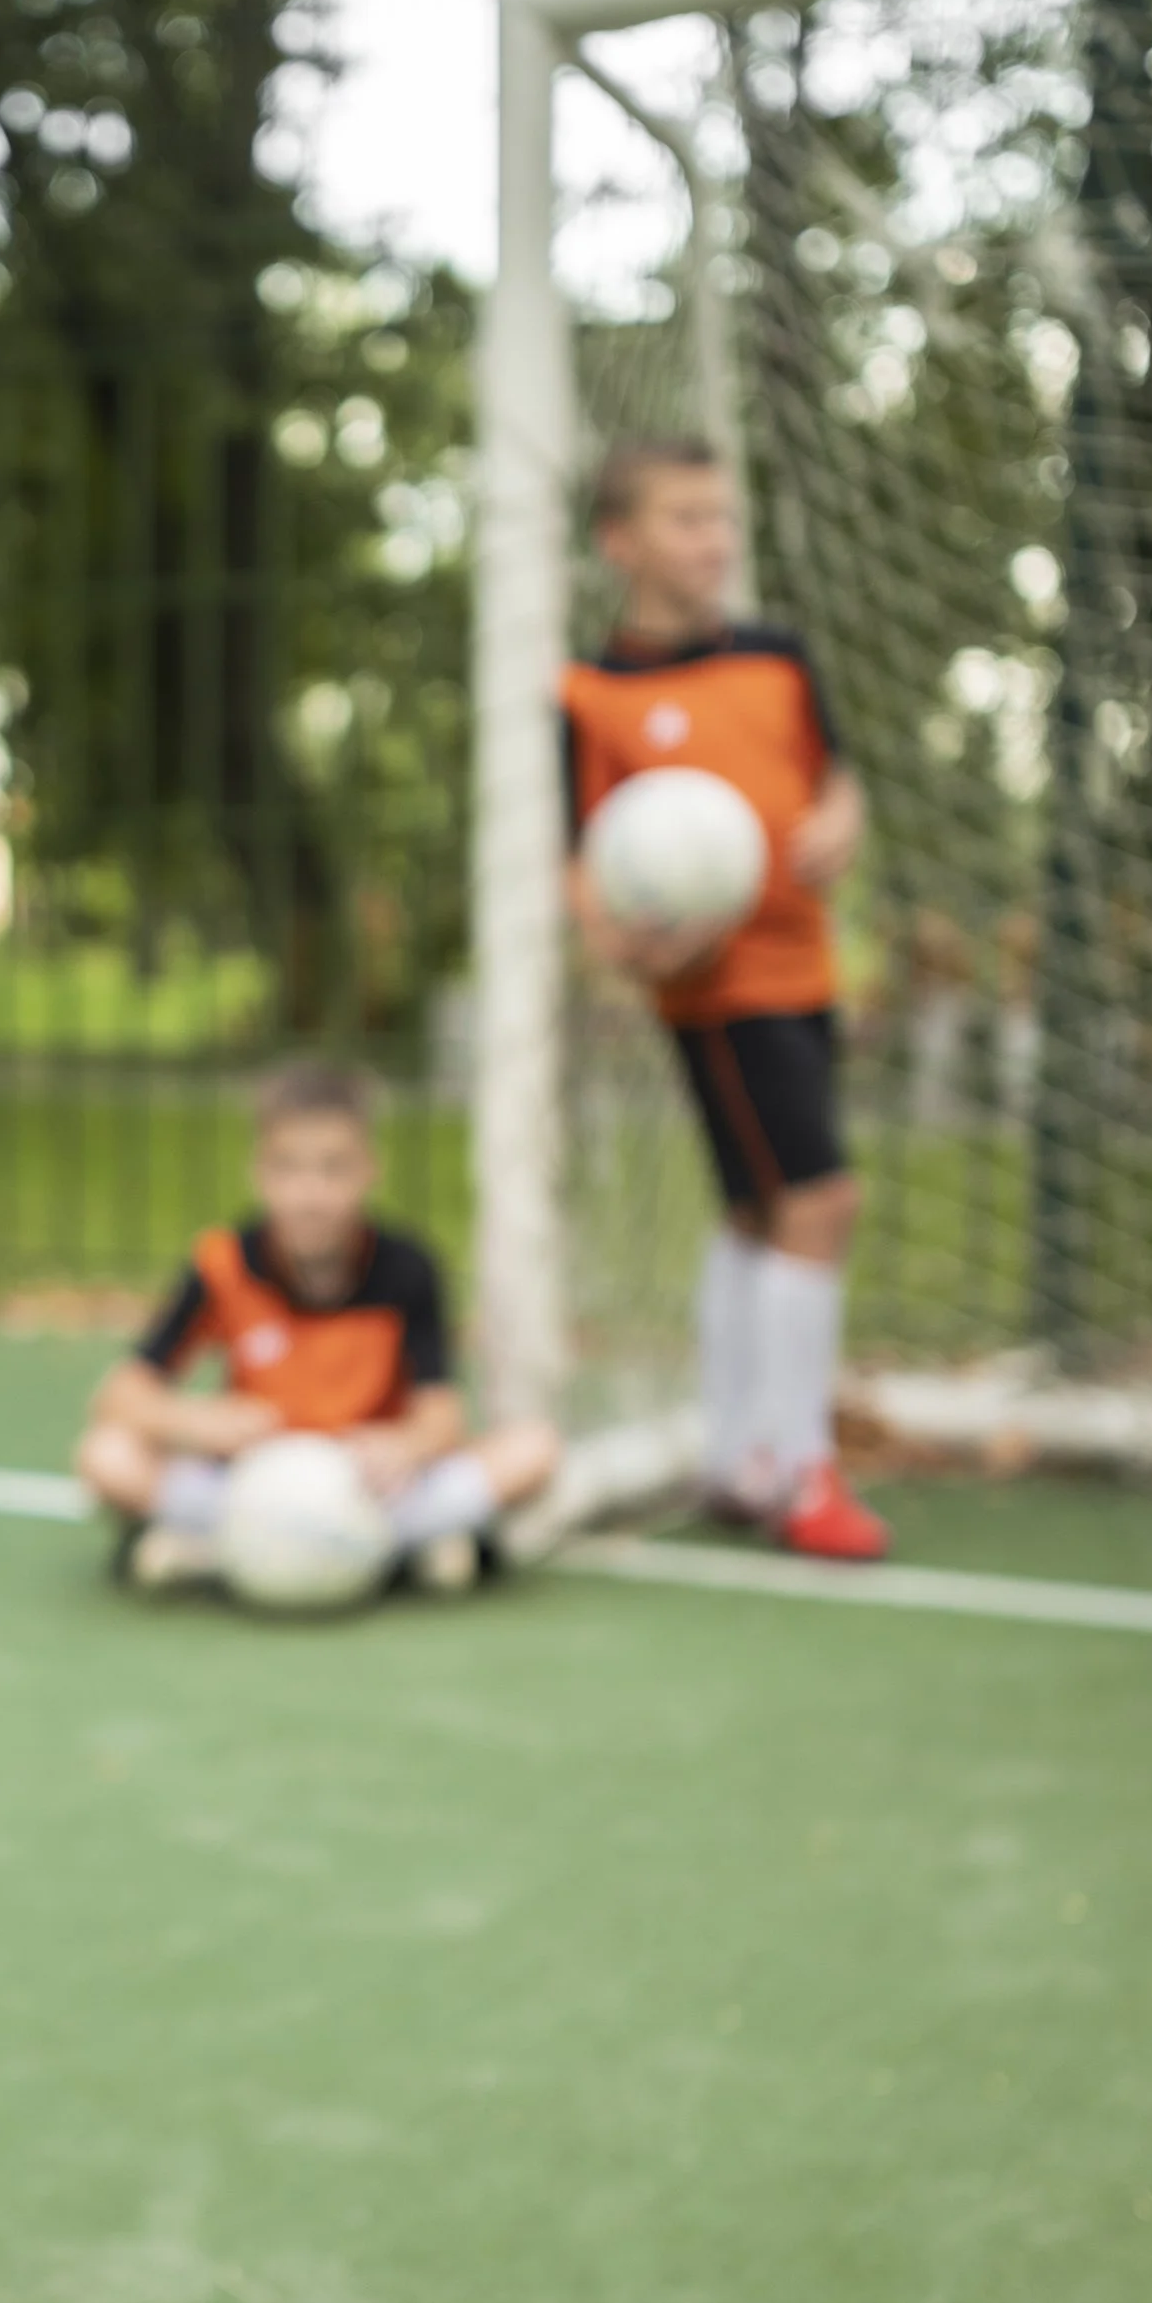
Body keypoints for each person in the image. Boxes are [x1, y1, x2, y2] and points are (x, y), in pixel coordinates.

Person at [561, 437, 890, 1564]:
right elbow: (584, 872)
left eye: (719, 517)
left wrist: (843, 819)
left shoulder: (778, 658)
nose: (712, 539)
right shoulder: (593, 693)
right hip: (718, 991)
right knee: (820, 1200)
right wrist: (630, 943)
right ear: (621, 543)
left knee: (758, 1208)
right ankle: (799, 1466)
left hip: (806, 973)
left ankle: (737, 1453)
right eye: (684, 518)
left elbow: (834, 778)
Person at [75, 1061, 559, 1592]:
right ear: (259, 1171)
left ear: (369, 1169)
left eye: (334, 1169)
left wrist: (404, 1446)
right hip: (248, 1486)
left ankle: (219, 1555)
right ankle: (397, 1557)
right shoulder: (223, 1265)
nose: (311, 1194)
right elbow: (120, 1395)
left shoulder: (408, 1268)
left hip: (371, 1490)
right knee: (106, 1457)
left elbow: (440, 1414)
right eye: (289, 1168)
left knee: (533, 1450)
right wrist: (196, 1422)